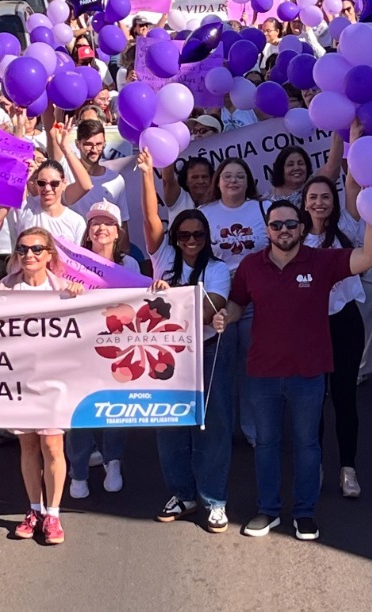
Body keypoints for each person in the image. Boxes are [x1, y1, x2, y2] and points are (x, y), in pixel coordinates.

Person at [216, 200, 372, 542]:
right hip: (263, 372)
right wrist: (224, 316)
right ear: (268, 230)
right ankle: (268, 510)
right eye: (276, 225)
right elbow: (236, 304)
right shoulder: (251, 265)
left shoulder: (322, 261)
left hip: (307, 373)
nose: (284, 231)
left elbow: (371, 257)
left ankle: (305, 513)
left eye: (291, 225)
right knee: (266, 444)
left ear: (303, 228)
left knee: (307, 445)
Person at [0, 227, 84, 546]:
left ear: (49, 254)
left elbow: (86, 329)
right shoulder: (5, 286)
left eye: (36, 249)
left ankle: (54, 514)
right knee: (29, 445)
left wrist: (77, 299)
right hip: (19, 379)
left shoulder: (64, 288)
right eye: (22, 249)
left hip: (55, 381)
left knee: (53, 446)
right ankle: (34, 509)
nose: (29, 255)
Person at [148, 209, 234, 533]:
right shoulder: (164, 266)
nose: (192, 241)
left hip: (207, 352)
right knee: (169, 425)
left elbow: (210, 309)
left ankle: (214, 499)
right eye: (185, 235)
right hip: (168, 356)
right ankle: (183, 494)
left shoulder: (218, 268)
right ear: (176, 239)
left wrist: (167, 302)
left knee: (213, 426)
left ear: (207, 238)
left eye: (199, 235)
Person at [65, 201, 142, 500]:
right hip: (81, 347)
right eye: (95, 223)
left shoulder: (129, 265)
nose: (101, 228)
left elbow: (140, 300)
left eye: (107, 223)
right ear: (88, 231)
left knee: (114, 409)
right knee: (81, 410)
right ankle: (79, 471)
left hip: (117, 348)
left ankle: (113, 462)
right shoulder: (73, 263)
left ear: (117, 231)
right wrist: (68, 292)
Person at [300, 175, 366, 499]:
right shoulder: (294, 238)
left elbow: (352, 183)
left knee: (344, 398)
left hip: (346, 322)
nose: (319, 203)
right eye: (313, 197)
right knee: (313, 400)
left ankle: (348, 468)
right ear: (304, 201)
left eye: (325, 197)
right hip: (310, 327)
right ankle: (315, 465)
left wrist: (352, 139)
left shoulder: (347, 230)